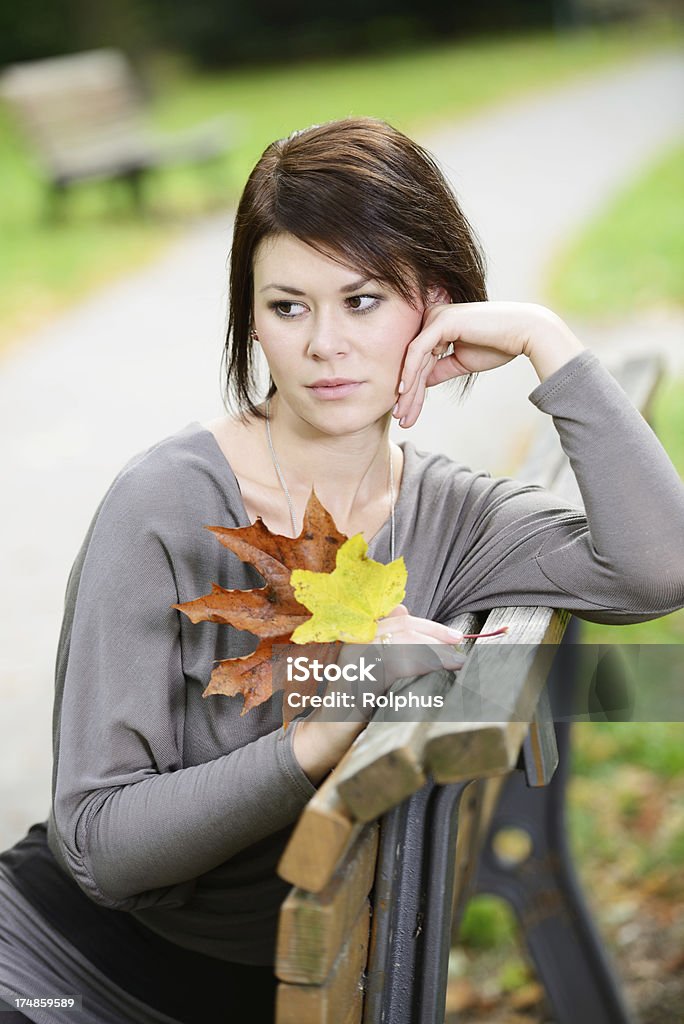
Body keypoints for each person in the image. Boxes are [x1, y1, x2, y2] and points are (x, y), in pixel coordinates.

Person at [1, 117, 683, 1024]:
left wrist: (543, 341)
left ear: (435, 307)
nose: (324, 343)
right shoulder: (164, 503)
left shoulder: (456, 520)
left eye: (362, 300)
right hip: (61, 969)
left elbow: (658, 568)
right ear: (252, 316)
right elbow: (98, 849)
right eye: (289, 306)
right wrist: (319, 737)